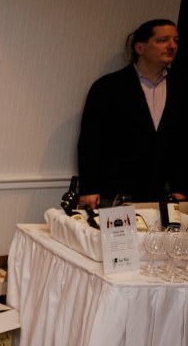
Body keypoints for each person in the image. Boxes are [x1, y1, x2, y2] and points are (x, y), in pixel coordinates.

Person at [77, 19, 186, 207]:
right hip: (114, 192)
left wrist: (182, 186)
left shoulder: (182, 87)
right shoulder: (108, 87)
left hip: (165, 195)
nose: (172, 46)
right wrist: (88, 188)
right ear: (140, 47)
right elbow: (90, 141)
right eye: (163, 40)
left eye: (175, 40)